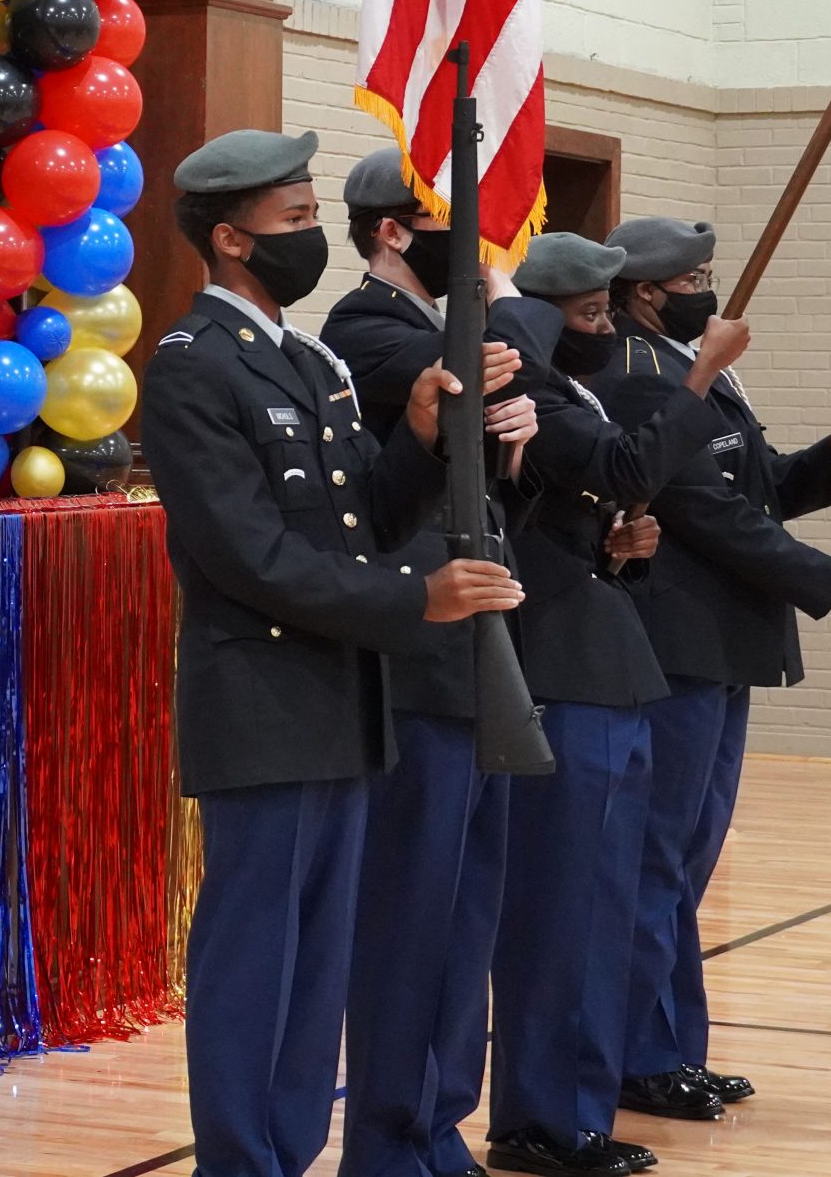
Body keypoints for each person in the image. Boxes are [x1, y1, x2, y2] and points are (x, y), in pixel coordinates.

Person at [142, 128, 524, 1177]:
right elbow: (251, 558)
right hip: (261, 702)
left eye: (312, 216)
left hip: (343, 697)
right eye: (294, 222)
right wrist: (418, 600)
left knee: (319, 971)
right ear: (229, 240)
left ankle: (292, 1152)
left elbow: (365, 512)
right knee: (257, 959)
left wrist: (416, 431)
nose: (311, 237)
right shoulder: (192, 369)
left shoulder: (306, 361)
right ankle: (240, 1160)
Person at [593, 216, 831, 1124]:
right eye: (694, 272)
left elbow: (757, 483)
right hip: (676, 644)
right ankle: (638, 1054)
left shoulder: (691, 362)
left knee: (688, 861)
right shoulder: (635, 372)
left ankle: (673, 1048)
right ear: (647, 289)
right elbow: (705, 511)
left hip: (724, 643)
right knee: (657, 857)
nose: (709, 283)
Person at [480, 232, 745, 1177]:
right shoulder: (526, 393)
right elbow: (628, 466)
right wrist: (697, 381)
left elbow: (583, 505)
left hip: (603, 659)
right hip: (557, 667)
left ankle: (577, 1108)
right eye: (589, 316)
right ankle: (542, 1118)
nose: (603, 330)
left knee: (603, 900)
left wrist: (613, 542)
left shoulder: (569, 390)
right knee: (563, 910)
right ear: (542, 313)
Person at [322, 148, 536, 1177]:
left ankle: (437, 1126)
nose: (478, 238)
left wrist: (515, 441)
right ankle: (388, 1138)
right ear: (393, 231)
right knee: (412, 919)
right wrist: (504, 303)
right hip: (420, 654)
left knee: (465, 913)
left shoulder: (431, 330)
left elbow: (480, 485)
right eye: (452, 218)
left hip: (477, 645)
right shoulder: (366, 328)